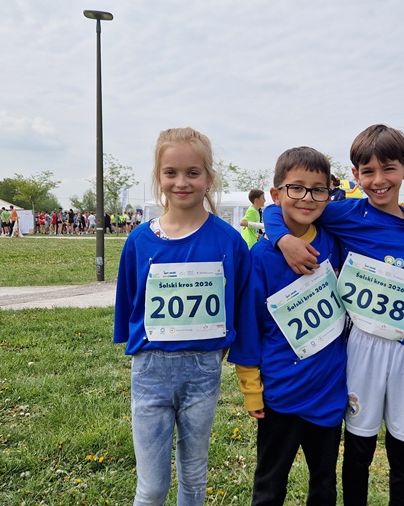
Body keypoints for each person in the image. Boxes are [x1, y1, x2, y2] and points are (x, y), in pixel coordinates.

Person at [265, 124, 404, 506]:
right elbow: (276, 208)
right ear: (355, 175)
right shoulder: (344, 215)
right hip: (361, 350)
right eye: (368, 171)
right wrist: (283, 238)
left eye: (389, 169)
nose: (379, 180)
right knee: (357, 451)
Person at [113, 127, 250, 506]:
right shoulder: (139, 240)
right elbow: (129, 297)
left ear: (209, 177)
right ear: (158, 177)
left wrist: (225, 346)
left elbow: (240, 300)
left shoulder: (229, 240)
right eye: (171, 172)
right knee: (151, 488)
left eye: (193, 172)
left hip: (203, 371)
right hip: (150, 371)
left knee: (193, 477)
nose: (182, 182)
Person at [229, 147, 347, 505]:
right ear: (277, 193)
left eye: (318, 189)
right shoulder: (260, 258)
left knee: (324, 485)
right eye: (296, 187)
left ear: (329, 193)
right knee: (269, 485)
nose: (307, 197)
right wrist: (251, 388)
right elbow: (248, 327)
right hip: (281, 394)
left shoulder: (335, 241)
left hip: (329, 389)